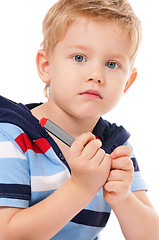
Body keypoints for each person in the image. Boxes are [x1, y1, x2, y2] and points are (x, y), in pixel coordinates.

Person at [0, 0, 159, 239]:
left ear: (127, 82)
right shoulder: (14, 137)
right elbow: (7, 234)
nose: (96, 75)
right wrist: (80, 187)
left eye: (112, 64)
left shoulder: (115, 147)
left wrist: (124, 198)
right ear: (46, 66)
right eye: (79, 58)